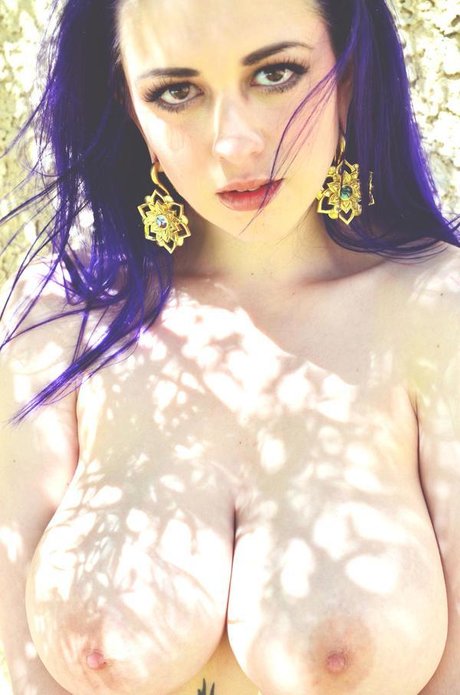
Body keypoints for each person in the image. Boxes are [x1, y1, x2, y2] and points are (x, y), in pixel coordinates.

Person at [0, 0, 459, 693]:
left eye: (274, 74)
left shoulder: (437, 312)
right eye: (176, 92)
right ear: (128, 105)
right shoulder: (59, 320)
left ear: (350, 75)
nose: (234, 143)